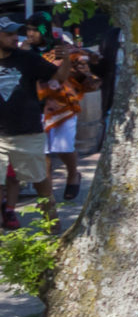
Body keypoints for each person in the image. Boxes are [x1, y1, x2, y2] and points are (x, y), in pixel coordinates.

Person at [0, 20, 60, 221]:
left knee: (39, 179)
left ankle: (51, 220)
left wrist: (66, 58)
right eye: (9, 34)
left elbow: (58, 76)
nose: (16, 37)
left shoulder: (28, 58)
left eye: (16, 33)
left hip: (27, 130)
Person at [39, 45, 93, 202]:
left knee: (64, 148)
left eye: (36, 29)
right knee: (43, 153)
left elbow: (85, 74)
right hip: (37, 104)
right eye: (28, 29)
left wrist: (74, 61)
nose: (31, 33)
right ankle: (47, 199)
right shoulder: (23, 50)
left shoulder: (68, 50)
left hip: (64, 107)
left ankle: (73, 173)